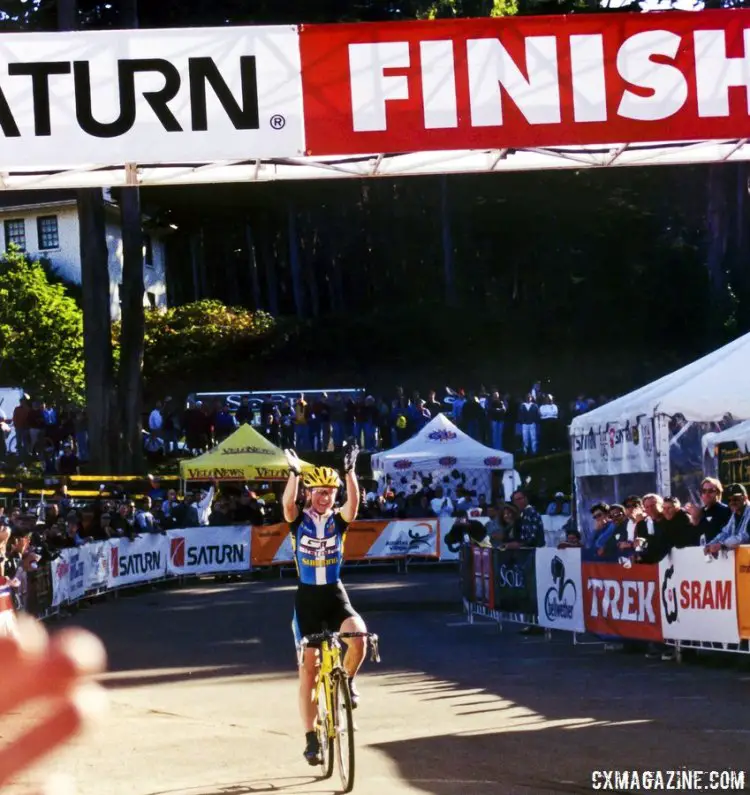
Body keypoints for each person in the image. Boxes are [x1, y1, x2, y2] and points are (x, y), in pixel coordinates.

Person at [283, 442, 368, 767]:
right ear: (309, 492)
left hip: (334, 593)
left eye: (330, 492)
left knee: (358, 638)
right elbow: (287, 505)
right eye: (319, 491)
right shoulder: (298, 520)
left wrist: (349, 473)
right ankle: (310, 738)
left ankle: (346, 683)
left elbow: (354, 505)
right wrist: (294, 473)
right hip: (307, 599)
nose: (325, 497)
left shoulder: (338, 522)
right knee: (309, 670)